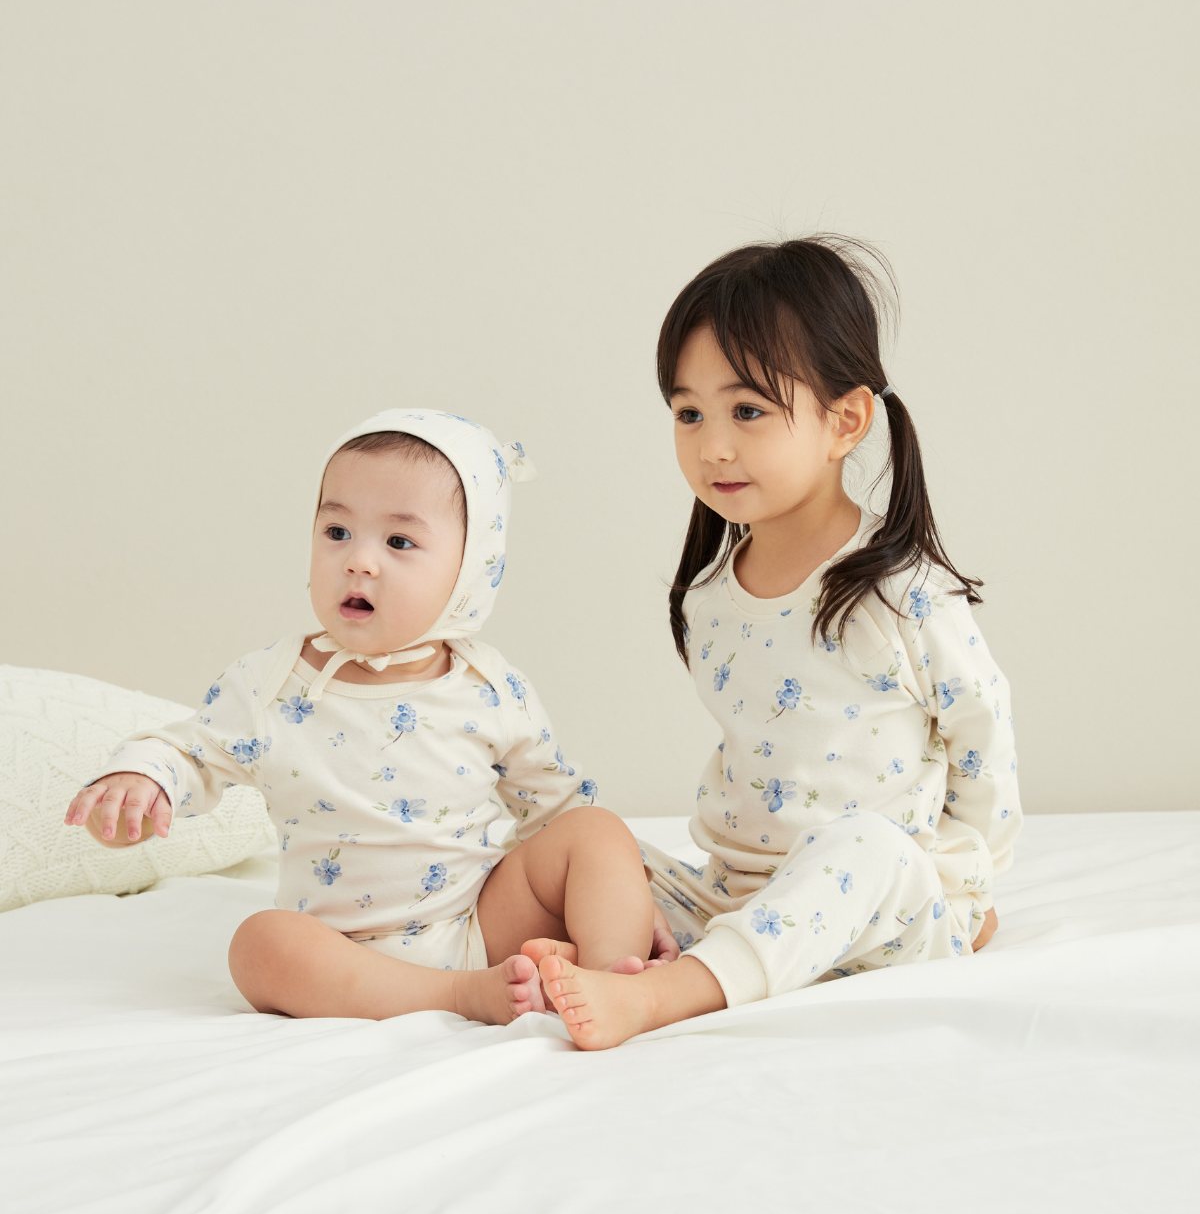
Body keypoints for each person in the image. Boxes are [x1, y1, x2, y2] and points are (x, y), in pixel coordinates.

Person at [528, 235, 1023, 1048]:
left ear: (845, 419)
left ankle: (663, 996)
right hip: (739, 899)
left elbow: (982, 732)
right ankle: (614, 960)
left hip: (875, 904)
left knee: (864, 847)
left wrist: (967, 890)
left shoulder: (899, 590)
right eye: (689, 413)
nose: (712, 445)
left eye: (748, 410)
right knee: (589, 842)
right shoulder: (714, 595)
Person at [64, 408, 668, 1026]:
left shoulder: (489, 687)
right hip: (344, 952)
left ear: (468, 570)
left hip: (480, 921)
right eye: (336, 533)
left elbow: (554, 808)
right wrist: (145, 777)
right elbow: (192, 750)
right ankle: (463, 997)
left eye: (399, 542)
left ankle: (611, 977)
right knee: (261, 945)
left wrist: (628, 906)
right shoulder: (271, 683)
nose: (359, 561)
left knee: (595, 830)